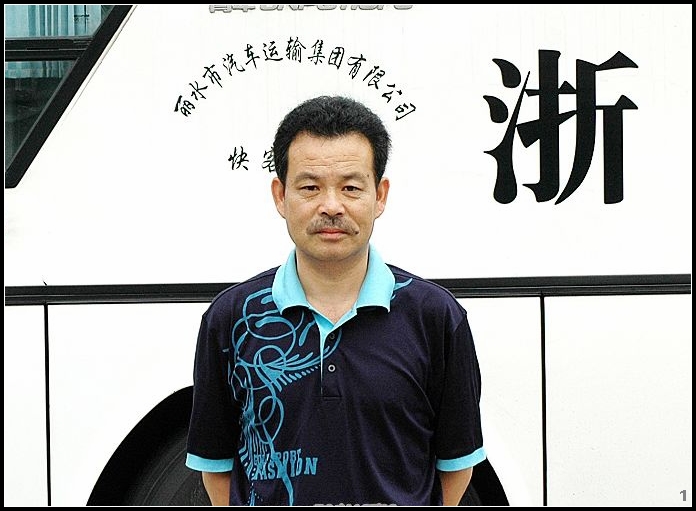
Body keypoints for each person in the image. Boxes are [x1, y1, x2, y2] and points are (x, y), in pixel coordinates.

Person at [185, 95, 486, 506]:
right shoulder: (231, 318)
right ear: (280, 195)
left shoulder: (435, 317)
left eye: (351, 188)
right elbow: (216, 467)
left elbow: (456, 466)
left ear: (380, 195)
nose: (331, 206)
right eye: (310, 187)